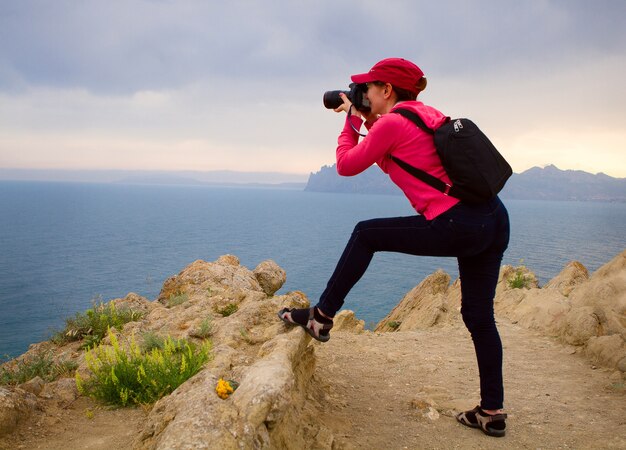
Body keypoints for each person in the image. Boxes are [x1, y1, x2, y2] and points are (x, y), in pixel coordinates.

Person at [278, 57, 510, 437]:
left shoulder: (391, 124)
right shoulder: (424, 113)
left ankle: (321, 317)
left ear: (386, 90)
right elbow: (399, 151)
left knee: (366, 233)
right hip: (493, 219)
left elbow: (346, 165)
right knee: (480, 317)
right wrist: (365, 115)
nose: (363, 92)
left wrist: (351, 120)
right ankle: (492, 411)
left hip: (457, 223)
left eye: (367, 87)